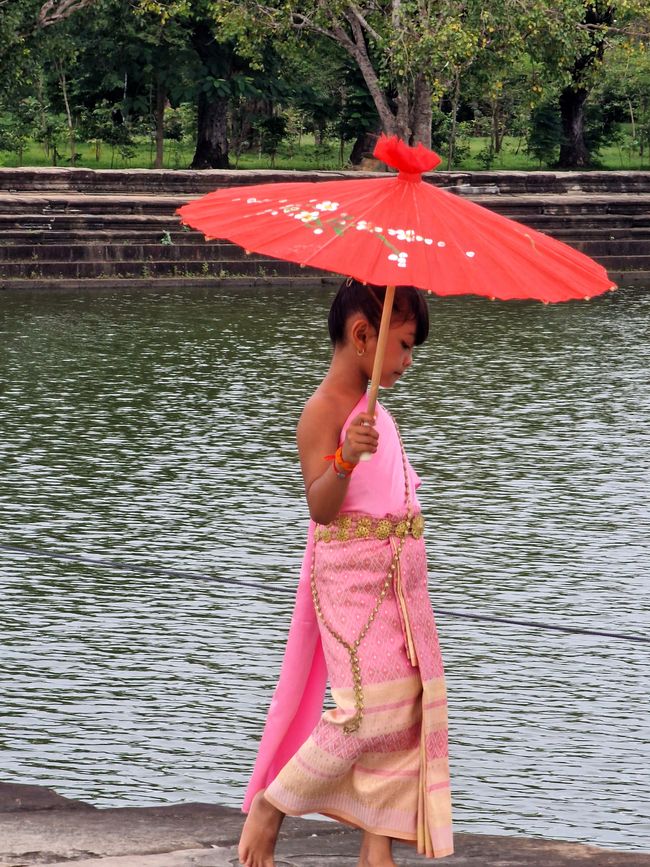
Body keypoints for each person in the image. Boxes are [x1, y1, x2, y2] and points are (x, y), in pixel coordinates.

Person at [238, 279, 453, 867]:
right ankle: (273, 804)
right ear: (364, 335)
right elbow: (321, 506)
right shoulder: (326, 413)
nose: (408, 362)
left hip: (401, 583)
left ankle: (376, 845)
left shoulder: (376, 413)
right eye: (404, 345)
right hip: (353, 582)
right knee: (366, 711)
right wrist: (344, 457)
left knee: (407, 704)